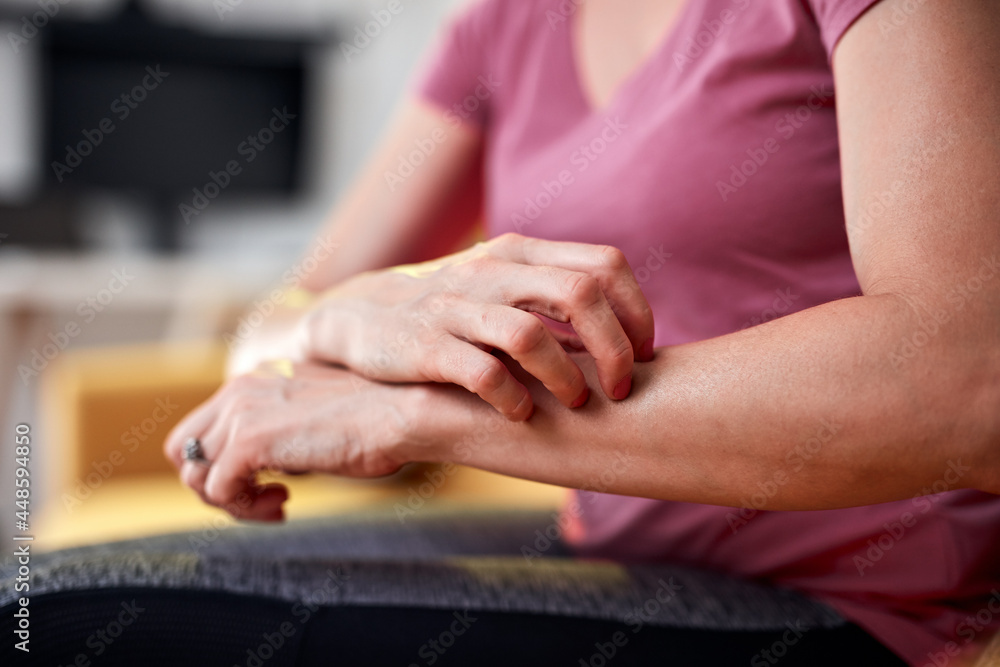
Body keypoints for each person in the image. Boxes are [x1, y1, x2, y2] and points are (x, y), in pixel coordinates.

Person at [165, 0, 1000, 664]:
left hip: (863, 611)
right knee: (70, 598)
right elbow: (268, 330)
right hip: (620, 559)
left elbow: (967, 382)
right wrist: (338, 317)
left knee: (75, 631)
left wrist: (420, 415)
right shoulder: (507, 22)